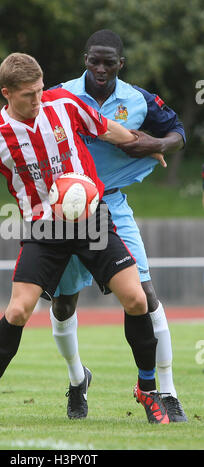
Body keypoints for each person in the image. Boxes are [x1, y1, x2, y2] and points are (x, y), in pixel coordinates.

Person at [0, 52, 169, 426]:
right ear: (7, 93)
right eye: (29, 94)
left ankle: (148, 390)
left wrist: (148, 144)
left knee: (136, 297)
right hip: (43, 231)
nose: (38, 98)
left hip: (91, 220)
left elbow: (105, 128)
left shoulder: (63, 104)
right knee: (17, 311)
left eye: (40, 89)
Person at [49, 29, 187, 422]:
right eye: (95, 60)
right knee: (63, 303)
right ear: (85, 59)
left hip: (112, 205)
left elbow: (179, 133)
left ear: (120, 64)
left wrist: (156, 145)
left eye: (110, 61)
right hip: (67, 211)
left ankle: (166, 391)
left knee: (144, 294)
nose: (101, 68)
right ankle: (78, 380)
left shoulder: (138, 100)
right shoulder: (60, 95)